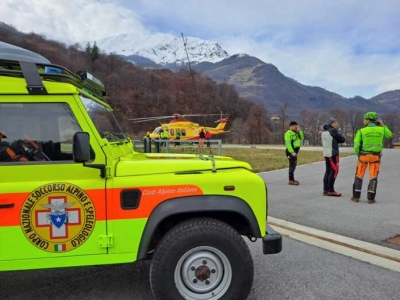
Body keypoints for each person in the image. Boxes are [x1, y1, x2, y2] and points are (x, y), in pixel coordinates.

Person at [351, 112, 392, 204]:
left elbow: (356, 145)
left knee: (359, 175)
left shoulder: (361, 131)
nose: (363, 121)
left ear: (368, 120)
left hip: (363, 156)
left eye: (364, 119)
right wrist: (383, 125)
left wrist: (358, 154)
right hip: (376, 156)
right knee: (373, 176)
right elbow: (389, 135)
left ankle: (356, 197)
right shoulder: (381, 130)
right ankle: (371, 198)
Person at [321, 119, 346, 197]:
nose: (337, 124)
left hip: (326, 153)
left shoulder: (324, 131)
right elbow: (342, 139)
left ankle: (325, 189)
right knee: (334, 170)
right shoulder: (333, 130)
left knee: (328, 171)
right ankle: (330, 190)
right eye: (336, 123)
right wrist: (337, 140)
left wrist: (335, 140)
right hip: (333, 153)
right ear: (331, 124)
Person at [284, 121, 304, 185]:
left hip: (295, 151)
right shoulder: (288, 133)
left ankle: (292, 179)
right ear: (291, 126)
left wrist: (300, 131)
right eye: (295, 126)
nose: (296, 127)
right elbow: (288, 143)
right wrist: (292, 152)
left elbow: (302, 138)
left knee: (294, 164)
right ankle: (291, 180)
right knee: (292, 165)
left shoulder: (296, 133)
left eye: (297, 126)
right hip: (290, 151)